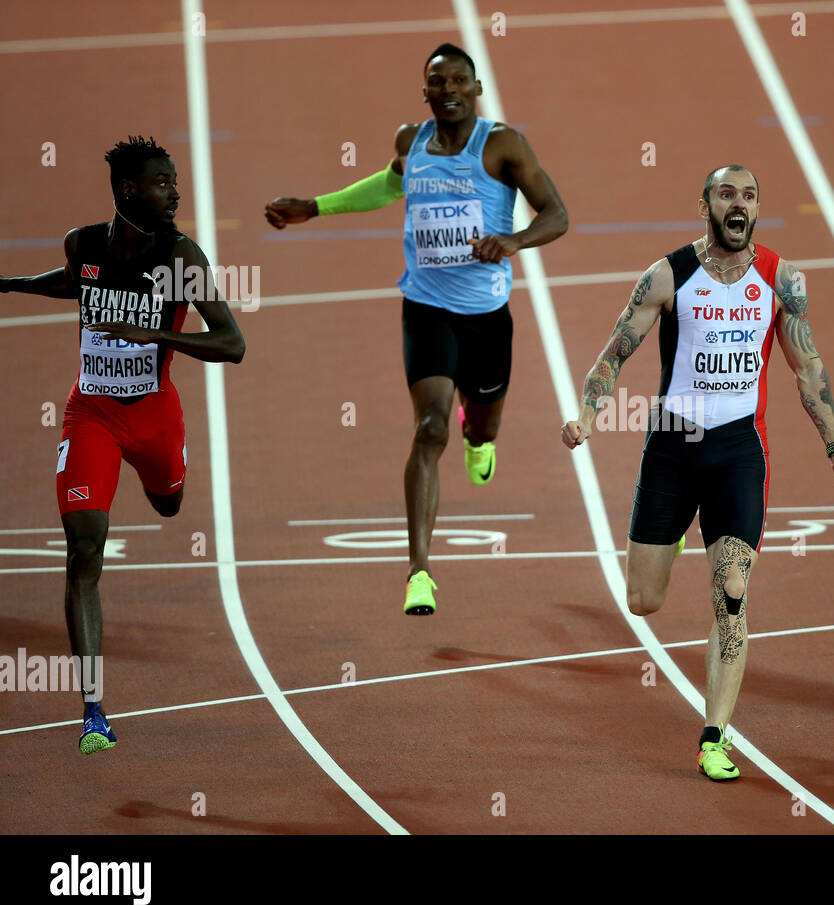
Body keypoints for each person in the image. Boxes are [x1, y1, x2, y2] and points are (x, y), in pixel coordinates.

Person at [561, 165, 834, 781]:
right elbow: (614, 352)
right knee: (643, 601)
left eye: (749, 195)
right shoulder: (669, 274)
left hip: (736, 453)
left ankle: (714, 736)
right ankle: (673, 534)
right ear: (704, 204)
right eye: (727, 194)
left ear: (757, 208)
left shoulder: (782, 280)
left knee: (732, 598)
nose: (739, 205)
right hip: (674, 445)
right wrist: (588, 413)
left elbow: (808, 369)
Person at [265, 42, 568, 615]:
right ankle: (419, 572)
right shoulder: (411, 142)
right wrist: (315, 206)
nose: (449, 90)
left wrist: (514, 240)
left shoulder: (502, 145)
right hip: (426, 308)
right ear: (425, 93)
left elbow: (557, 213)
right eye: (438, 82)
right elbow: (388, 185)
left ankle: (480, 438)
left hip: (485, 317)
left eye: (460, 81)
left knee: (482, 421)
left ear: (475, 90)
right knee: (429, 430)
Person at [0, 136, 246, 753]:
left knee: (168, 504)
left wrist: (150, 331)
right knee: (85, 550)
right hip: (92, 416)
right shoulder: (83, 245)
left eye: (176, 182)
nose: (177, 193)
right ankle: (93, 711)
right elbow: (77, 280)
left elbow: (232, 343)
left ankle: (165, 478)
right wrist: (12, 284)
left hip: (155, 417)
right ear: (130, 190)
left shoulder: (180, 257)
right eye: (164, 183)